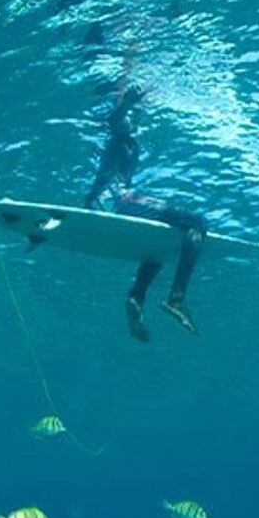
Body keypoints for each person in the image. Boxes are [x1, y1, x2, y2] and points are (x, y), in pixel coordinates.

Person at [84, 85, 205, 342]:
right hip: (118, 199)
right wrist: (126, 103)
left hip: (105, 200)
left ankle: (136, 297)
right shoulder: (122, 137)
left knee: (160, 242)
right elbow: (115, 121)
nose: (143, 111)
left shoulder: (126, 141)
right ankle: (176, 299)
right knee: (196, 223)